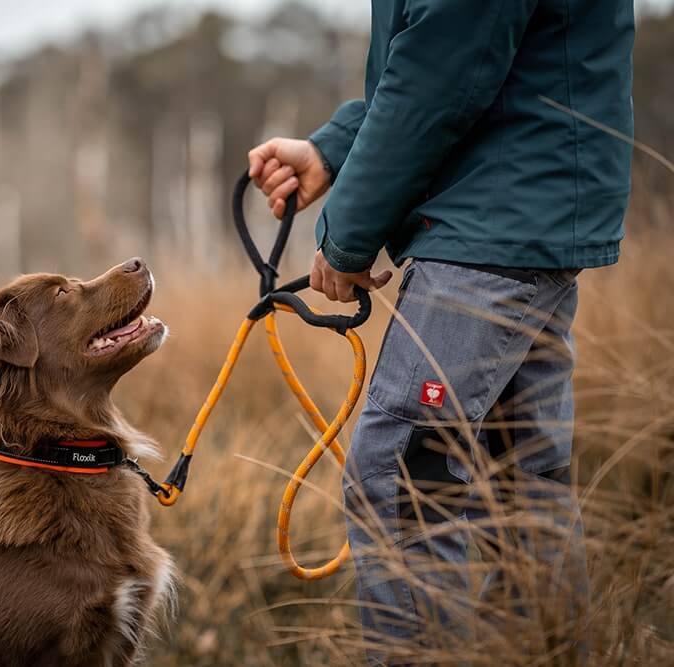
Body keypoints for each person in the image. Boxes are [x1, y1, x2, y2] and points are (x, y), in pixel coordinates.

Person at [248, 1, 634, 663]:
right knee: (522, 485)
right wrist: (332, 148)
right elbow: (448, 51)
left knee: (402, 468)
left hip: (493, 226)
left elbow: (444, 74)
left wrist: (348, 233)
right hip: (520, 215)